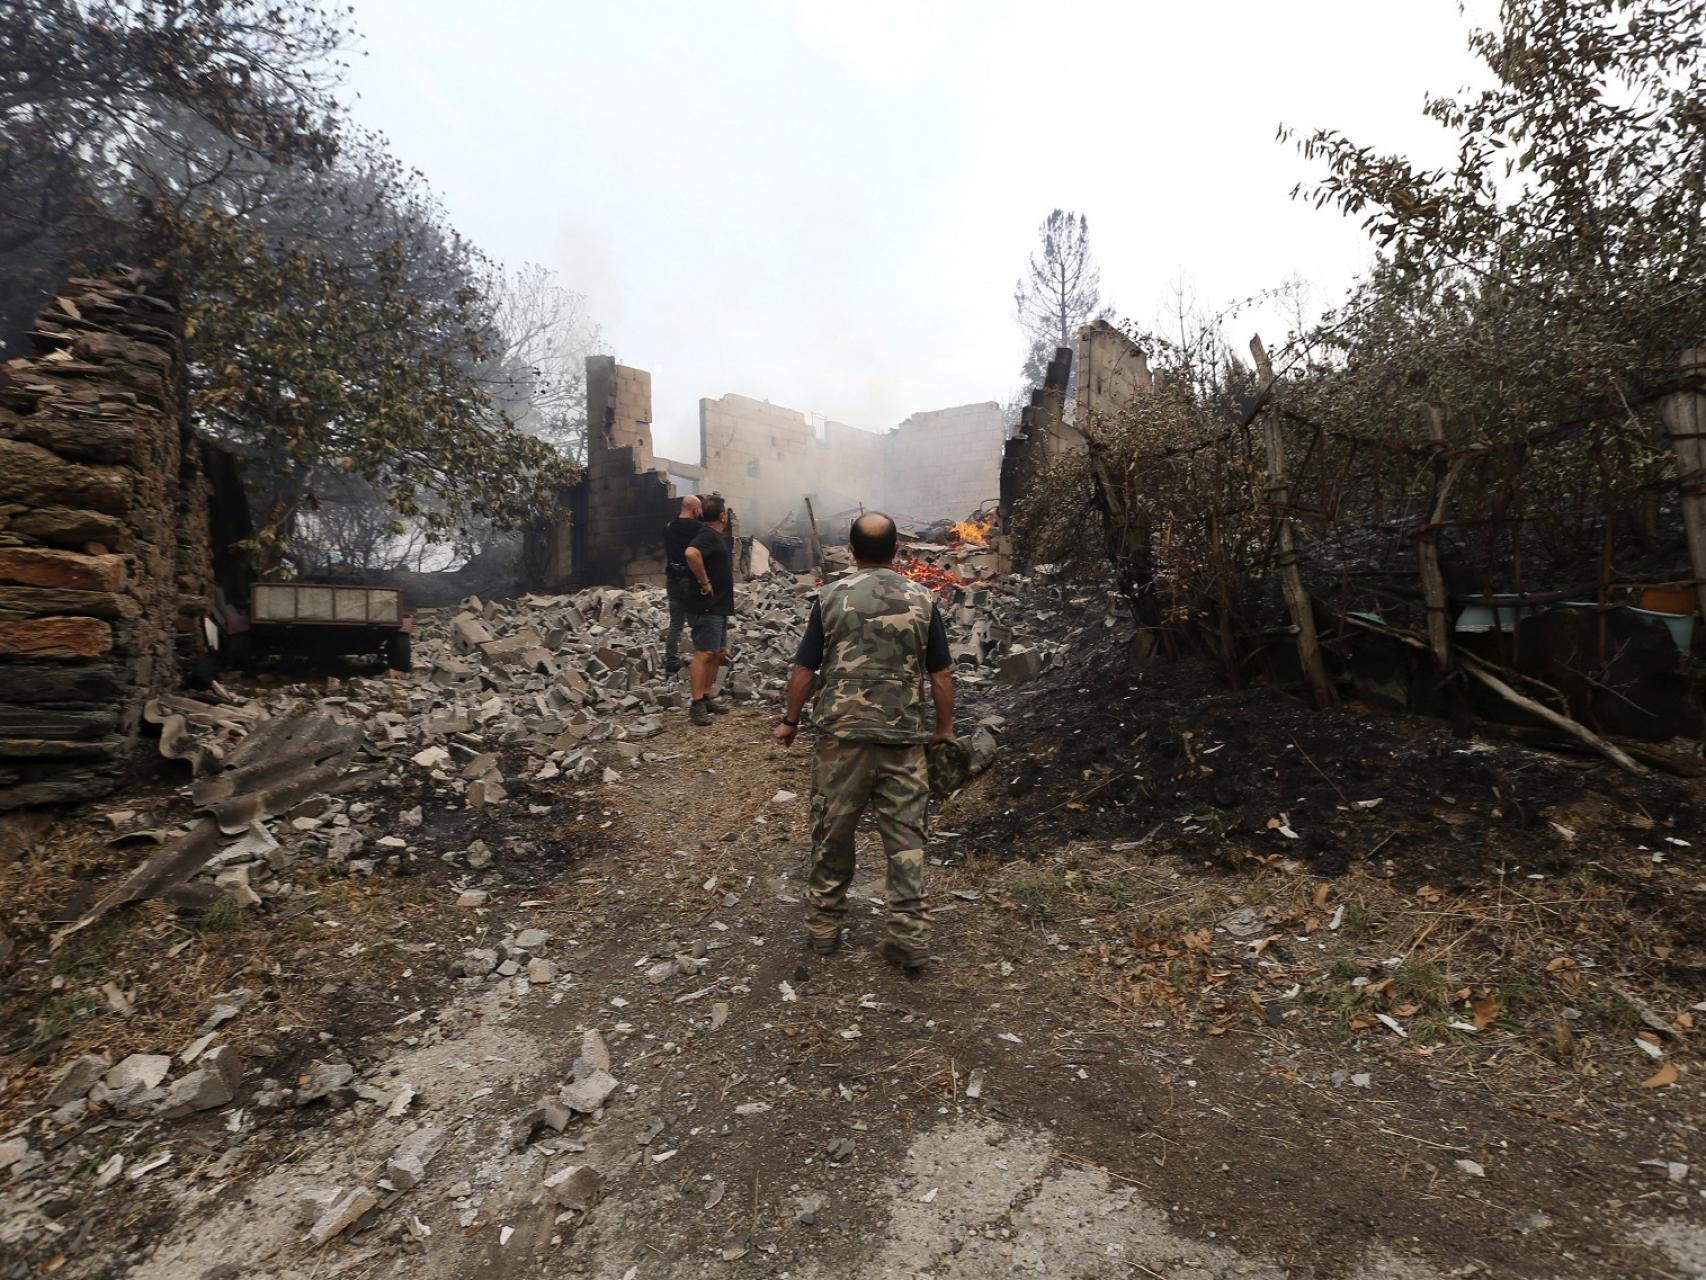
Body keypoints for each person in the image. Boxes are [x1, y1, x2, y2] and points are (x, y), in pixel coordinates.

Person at [773, 512, 955, 970]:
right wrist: (944, 729)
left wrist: (790, 721)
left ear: (851, 551)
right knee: (906, 835)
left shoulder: (830, 597)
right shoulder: (923, 600)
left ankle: (824, 929)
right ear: (897, 550)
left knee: (832, 831)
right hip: (902, 737)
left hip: (842, 739)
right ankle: (908, 934)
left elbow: (804, 670)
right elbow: (941, 673)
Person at [682, 493, 734, 726]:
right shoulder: (707, 535)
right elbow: (691, 553)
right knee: (704, 653)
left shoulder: (713, 536)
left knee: (718, 652)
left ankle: (706, 696)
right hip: (706, 607)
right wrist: (705, 582)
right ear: (722, 516)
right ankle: (696, 705)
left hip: (719, 606)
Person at [661, 494, 703, 673]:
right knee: (700, 622)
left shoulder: (668, 527)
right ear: (695, 509)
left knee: (676, 623)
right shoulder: (699, 528)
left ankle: (671, 661)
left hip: (672, 579)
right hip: (691, 580)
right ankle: (702, 658)